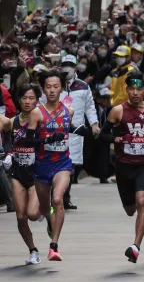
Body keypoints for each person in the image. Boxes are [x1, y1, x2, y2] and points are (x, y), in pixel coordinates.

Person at [97, 71, 144, 263]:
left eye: (138, 89)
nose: (135, 93)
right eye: (131, 89)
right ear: (126, 90)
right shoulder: (117, 111)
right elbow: (102, 135)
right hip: (124, 166)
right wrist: (115, 138)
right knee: (130, 209)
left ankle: (135, 246)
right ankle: (132, 215)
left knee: (142, 201)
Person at [33, 70, 77, 261]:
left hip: (62, 164)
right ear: (43, 89)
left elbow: (70, 128)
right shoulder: (36, 113)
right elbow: (28, 140)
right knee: (44, 208)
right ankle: (50, 218)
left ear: (62, 89)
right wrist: (47, 139)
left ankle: (54, 246)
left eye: (55, 86)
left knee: (58, 199)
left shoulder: (69, 111)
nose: (52, 90)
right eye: (48, 87)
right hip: (42, 165)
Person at [1, 84, 46, 265]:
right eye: (24, 98)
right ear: (19, 100)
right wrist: (9, 154)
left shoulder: (42, 119)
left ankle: (46, 208)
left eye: (31, 98)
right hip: (18, 172)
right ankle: (33, 251)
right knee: (21, 217)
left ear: (37, 100)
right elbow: (8, 141)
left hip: (36, 172)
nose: (27, 102)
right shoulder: (12, 122)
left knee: (33, 214)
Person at [57, 55, 100, 210]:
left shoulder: (83, 86)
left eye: (70, 65)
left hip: (76, 132)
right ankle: (58, 197)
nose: (67, 68)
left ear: (75, 67)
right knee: (58, 164)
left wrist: (94, 124)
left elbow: (90, 106)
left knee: (73, 165)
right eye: (64, 65)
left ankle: (66, 197)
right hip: (57, 130)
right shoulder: (56, 85)